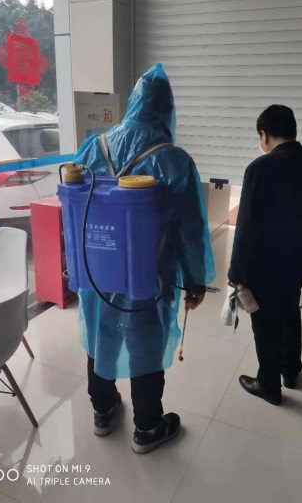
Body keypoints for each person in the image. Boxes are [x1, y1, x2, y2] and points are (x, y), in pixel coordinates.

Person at [74, 64, 215, 453]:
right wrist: (196, 281)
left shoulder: (93, 147)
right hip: (149, 275)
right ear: (166, 111)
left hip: (98, 270)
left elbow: (75, 209)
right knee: (146, 347)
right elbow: (190, 230)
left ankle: (103, 410)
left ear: (133, 105)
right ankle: (148, 428)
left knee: (100, 336)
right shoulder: (174, 160)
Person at [228, 105, 302, 405]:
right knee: (290, 311)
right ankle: (290, 371)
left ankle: (269, 385)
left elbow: (246, 227)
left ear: (264, 135)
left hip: (263, 263)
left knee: (264, 322)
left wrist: (235, 272)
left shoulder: (259, 169)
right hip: (300, 259)